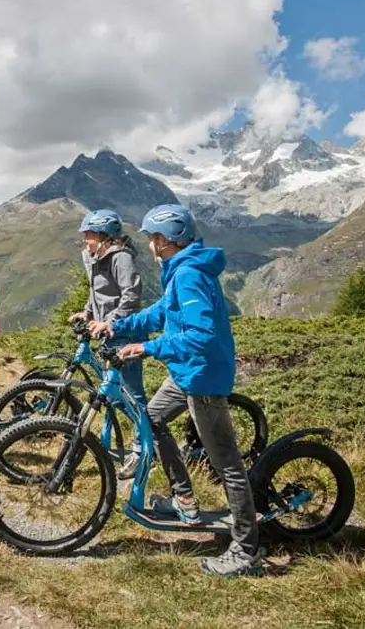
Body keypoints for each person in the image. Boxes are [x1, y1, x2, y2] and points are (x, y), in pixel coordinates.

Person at [90, 204, 263, 577]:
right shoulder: (179, 271)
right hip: (185, 373)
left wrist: (148, 347)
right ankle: (184, 498)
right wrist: (115, 327)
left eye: (152, 238)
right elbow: (160, 314)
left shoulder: (189, 276)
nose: (149, 245)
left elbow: (201, 336)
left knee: (227, 464)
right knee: (150, 420)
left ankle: (247, 550)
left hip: (202, 378)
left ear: (164, 240)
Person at [67, 209, 144, 479]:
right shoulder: (95, 258)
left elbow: (131, 296)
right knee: (111, 394)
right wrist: (87, 313)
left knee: (134, 397)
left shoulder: (121, 258)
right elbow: (97, 293)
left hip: (125, 335)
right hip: (107, 334)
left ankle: (142, 451)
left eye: (88, 234)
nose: (84, 239)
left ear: (104, 236)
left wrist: (109, 321)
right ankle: (111, 445)